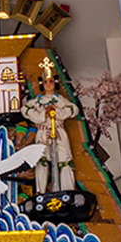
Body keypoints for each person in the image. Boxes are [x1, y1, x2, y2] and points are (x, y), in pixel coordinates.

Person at [21, 60, 78, 193]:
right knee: (42, 161)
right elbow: (25, 110)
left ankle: (67, 190)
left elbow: (73, 109)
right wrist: (42, 115)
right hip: (43, 132)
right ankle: (40, 191)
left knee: (65, 161)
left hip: (58, 132)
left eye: (51, 81)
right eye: (45, 81)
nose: (48, 84)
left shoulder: (60, 100)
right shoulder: (38, 101)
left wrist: (56, 113)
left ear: (55, 82)